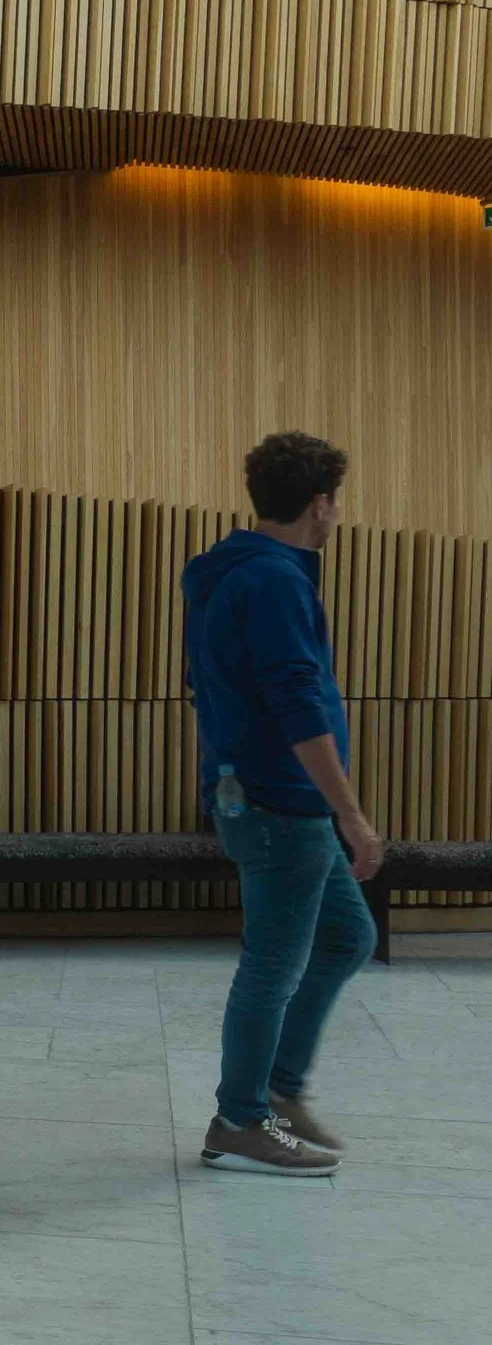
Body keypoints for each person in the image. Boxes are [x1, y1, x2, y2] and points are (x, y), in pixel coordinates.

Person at [185, 432, 381, 1176]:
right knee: (271, 964)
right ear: (320, 505)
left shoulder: (222, 570)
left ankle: (276, 1089)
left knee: (345, 938)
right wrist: (352, 816)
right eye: (336, 503)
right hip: (282, 802)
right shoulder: (273, 580)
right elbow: (297, 703)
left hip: (255, 793)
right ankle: (240, 1119)